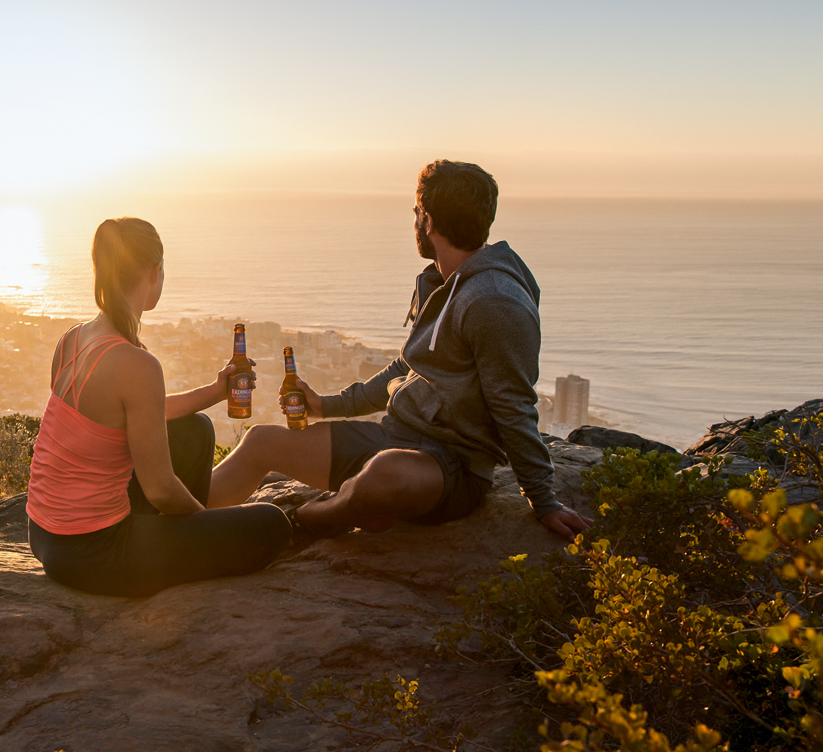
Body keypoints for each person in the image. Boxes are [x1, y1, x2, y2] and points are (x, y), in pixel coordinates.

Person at [208, 160, 594, 540]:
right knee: (261, 441)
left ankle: (312, 517)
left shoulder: (493, 300)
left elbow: (513, 405)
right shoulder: (442, 283)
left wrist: (543, 501)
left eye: (416, 213)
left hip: (452, 468)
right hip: (394, 436)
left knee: (384, 475)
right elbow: (405, 368)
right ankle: (180, 520)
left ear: (426, 220)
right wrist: (327, 405)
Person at [26, 217, 293, 597]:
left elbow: (141, 414)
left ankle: (171, 537)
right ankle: (176, 539)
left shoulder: (73, 338)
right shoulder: (136, 364)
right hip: (94, 552)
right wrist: (205, 528)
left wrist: (217, 391)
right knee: (272, 525)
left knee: (195, 429)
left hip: (44, 534)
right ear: (154, 273)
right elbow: (161, 490)